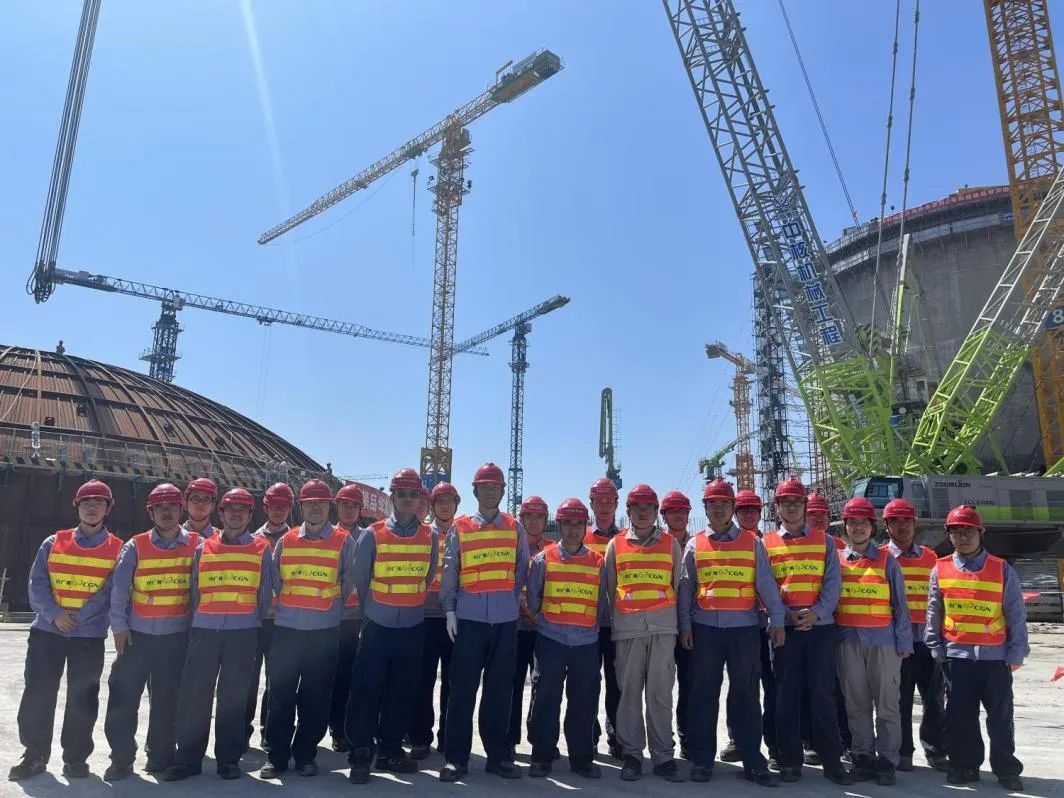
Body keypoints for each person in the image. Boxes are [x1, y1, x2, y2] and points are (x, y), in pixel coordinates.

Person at [9, 480, 122, 782]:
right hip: (48, 632)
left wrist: (79, 617)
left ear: (108, 508)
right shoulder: (53, 542)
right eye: (86, 502)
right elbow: (37, 583)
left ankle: (75, 758)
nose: (92, 507)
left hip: (88, 636)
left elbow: (112, 591)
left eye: (99, 502)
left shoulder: (117, 549)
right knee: (38, 693)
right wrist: (55, 614)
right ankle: (34, 755)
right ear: (77, 506)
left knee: (82, 698)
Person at [678, 480, 785, 786]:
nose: (719, 508)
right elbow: (686, 589)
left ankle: (753, 761)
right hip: (705, 631)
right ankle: (702, 761)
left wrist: (777, 620)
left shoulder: (752, 543)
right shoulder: (694, 545)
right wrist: (685, 625)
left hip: (744, 631)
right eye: (713, 503)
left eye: (724, 503)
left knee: (746, 696)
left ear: (732, 507)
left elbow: (766, 584)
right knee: (703, 695)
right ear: (705, 508)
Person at [164, 488, 272, 781]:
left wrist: (247, 620)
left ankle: (228, 760)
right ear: (220, 513)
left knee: (233, 698)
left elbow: (264, 594)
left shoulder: (262, 549)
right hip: (205, 631)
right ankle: (188, 760)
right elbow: (194, 589)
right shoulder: (204, 547)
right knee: (195, 696)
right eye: (230, 509)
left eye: (243, 509)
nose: (236, 514)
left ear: (250, 515)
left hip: (243, 632)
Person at [925, 505, 1028, 791]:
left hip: (995, 658)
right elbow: (934, 610)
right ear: (949, 535)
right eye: (956, 532)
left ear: (981, 533)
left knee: (1000, 717)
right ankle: (964, 766)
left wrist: (1016, 652)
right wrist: (935, 646)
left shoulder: (1001, 568)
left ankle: (1006, 768)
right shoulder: (940, 568)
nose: (962, 537)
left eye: (968, 531)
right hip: (956, 657)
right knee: (961, 717)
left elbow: (1015, 613)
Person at [438, 462, 530, 781]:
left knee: (500, 691)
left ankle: (498, 756)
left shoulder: (514, 528)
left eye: (495, 487)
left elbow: (520, 570)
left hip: (505, 621)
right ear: (475, 491)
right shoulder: (460, 527)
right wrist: (450, 610)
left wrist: (506, 601)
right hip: (469, 621)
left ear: (502, 491)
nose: (490, 491)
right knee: (462, 690)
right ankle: (456, 758)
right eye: (485, 487)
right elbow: (450, 570)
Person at [260, 479, 356, 779]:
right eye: (310, 503)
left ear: (329, 506)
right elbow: (276, 581)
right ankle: (276, 757)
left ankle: (305, 755)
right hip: (287, 631)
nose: (316, 508)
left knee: (315, 698)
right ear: (301, 507)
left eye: (321, 503)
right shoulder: (286, 541)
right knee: (280, 695)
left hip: (323, 632)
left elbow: (348, 582)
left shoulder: (344, 541)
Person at [346, 468, 437, 783]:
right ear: (393, 497)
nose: (408, 500)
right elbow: (361, 578)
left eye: (414, 494)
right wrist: (374, 610)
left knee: (402, 691)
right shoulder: (373, 534)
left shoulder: (430, 537)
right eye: (402, 494)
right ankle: (361, 752)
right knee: (366, 689)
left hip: (412, 625)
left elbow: (427, 576)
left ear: (420, 498)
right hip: (378, 624)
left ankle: (390, 750)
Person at [103, 483, 199, 780]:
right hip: (137, 637)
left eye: (171, 507)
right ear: (151, 512)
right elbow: (119, 591)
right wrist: (119, 628)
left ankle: (160, 757)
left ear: (181, 510)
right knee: (123, 697)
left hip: (176, 637)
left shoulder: (198, 545)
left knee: (167, 702)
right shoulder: (136, 546)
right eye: (160, 507)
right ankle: (121, 758)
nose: (166, 512)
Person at [762, 479, 852, 785]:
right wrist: (784, 615)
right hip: (785, 630)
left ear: (804, 506)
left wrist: (817, 613)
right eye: (785, 503)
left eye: (797, 502)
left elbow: (833, 582)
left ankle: (832, 762)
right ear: (777, 507)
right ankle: (790, 761)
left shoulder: (824, 541)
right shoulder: (767, 543)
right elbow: (766, 586)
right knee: (786, 695)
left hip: (820, 629)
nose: (791, 507)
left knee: (823, 695)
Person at [606, 483, 684, 782]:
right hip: (628, 631)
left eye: (648, 507)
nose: (642, 512)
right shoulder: (616, 546)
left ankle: (663, 756)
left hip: (663, 629)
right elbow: (610, 588)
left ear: (656, 512)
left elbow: (677, 585)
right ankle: (632, 755)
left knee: (660, 694)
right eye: (636, 507)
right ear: (628, 511)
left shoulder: (670, 544)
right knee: (629, 694)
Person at [526, 498, 607, 779]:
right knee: (546, 698)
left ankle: (581, 758)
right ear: (559, 525)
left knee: (583, 700)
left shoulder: (598, 562)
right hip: (551, 640)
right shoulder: (543, 559)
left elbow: (602, 604)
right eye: (568, 524)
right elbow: (533, 600)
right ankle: (542, 755)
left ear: (586, 526)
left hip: (585, 642)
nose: (573, 530)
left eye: (578, 524)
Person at [835, 497, 912, 786]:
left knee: (887, 704)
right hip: (848, 641)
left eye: (863, 523)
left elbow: (900, 605)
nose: (858, 528)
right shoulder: (837, 560)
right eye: (852, 523)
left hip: (883, 642)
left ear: (873, 527)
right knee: (856, 703)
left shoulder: (887, 560)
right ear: (844, 527)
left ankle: (887, 761)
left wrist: (904, 642)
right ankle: (862, 756)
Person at [881, 497, 947, 772]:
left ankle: (936, 750)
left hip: (928, 639)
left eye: (907, 520)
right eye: (895, 521)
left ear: (914, 523)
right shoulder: (881, 558)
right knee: (900, 699)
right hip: (897, 640)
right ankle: (903, 751)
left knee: (934, 699)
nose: (902, 526)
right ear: (886, 526)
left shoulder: (931, 558)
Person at [721, 489, 780, 768]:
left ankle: (774, 742)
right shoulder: (730, 544)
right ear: (735, 513)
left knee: (772, 685)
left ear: (760, 513)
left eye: (753, 510)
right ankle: (737, 738)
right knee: (740, 686)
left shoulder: (768, 543)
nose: (748, 514)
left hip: (767, 625)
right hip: (743, 625)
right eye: (743, 510)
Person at [409, 481, 459, 759]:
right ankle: (420, 738)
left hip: (455, 618)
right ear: (432, 505)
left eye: (449, 500)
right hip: (426, 616)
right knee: (422, 680)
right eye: (439, 500)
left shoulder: (465, 533)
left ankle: (448, 737)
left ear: (456, 504)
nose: (444, 505)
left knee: (453, 681)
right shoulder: (422, 534)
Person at [245, 481, 294, 752]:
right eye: (274, 505)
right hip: (254, 620)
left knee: (278, 681)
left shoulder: (297, 540)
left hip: (283, 622)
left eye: (283, 506)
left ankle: (270, 732)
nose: (278, 510)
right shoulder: (252, 539)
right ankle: (242, 731)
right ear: (265, 507)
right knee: (247, 680)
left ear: (290, 508)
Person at [585, 477, 624, 758]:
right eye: (599, 501)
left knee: (617, 684)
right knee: (588, 684)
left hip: (617, 624)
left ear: (617, 504)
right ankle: (588, 736)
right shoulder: (581, 538)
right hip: (587, 623)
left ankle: (617, 737)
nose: (604, 506)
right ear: (591, 504)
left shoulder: (626, 541)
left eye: (609, 501)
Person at [509, 494, 550, 758]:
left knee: (543, 686)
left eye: (539, 516)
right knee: (511, 685)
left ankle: (540, 740)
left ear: (545, 520)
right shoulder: (511, 547)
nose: (534, 521)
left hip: (543, 628)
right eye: (529, 516)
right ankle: (509, 740)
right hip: (515, 627)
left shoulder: (553, 551)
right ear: (521, 519)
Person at [329, 482, 365, 752]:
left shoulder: (369, 537)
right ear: (337, 507)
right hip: (333, 619)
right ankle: (337, 730)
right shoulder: (328, 537)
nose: (350, 510)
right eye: (345, 505)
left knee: (359, 677)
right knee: (336, 677)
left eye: (354, 505)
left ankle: (357, 728)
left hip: (361, 619)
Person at [659, 490, 692, 760]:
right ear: (664, 516)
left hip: (693, 626)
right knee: (661, 688)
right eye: (673, 511)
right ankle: (663, 739)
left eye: (682, 511)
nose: (678, 515)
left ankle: (687, 739)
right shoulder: (657, 545)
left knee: (690, 686)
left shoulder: (700, 544)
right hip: (664, 625)